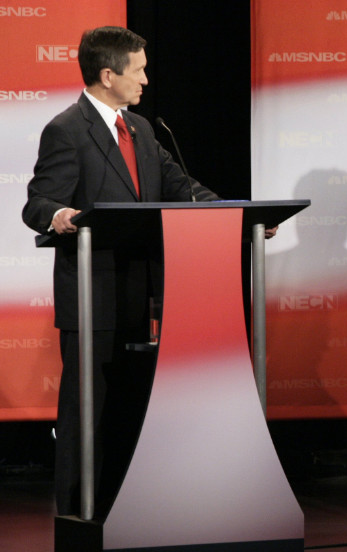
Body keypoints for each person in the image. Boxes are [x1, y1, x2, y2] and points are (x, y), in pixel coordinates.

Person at [21, 26, 222, 518]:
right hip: (93, 295)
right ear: (108, 75)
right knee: (87, 412)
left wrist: (232, 213)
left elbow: (180, 186)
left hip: (142, 293)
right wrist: (59, 215)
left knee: (133, 410)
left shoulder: (144, 130)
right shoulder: (66, 129)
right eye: (140, 70)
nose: (147, 80)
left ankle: (127, 510)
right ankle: (77, 515)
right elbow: (37, 201)